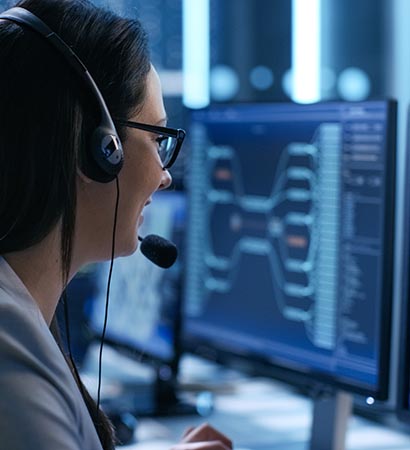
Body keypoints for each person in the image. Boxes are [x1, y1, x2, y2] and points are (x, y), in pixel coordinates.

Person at [0, 0, 233, 449]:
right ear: (101, 150)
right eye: (158, 138)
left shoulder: (21, 316)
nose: (166, 176)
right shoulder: (11, 364)